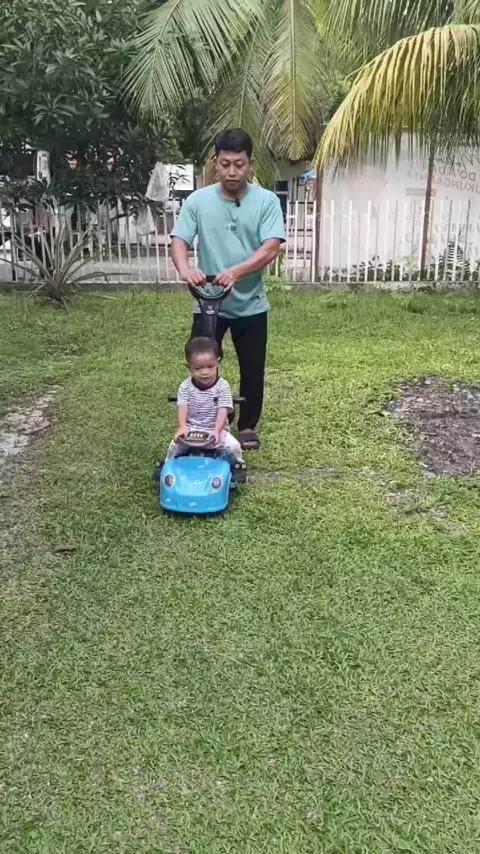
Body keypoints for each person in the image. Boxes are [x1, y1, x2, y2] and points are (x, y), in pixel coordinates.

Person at [171, 128, 286, 451]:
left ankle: (247, 425)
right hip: (207, 301)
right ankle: (199, 421)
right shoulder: (198, 201)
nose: (232, 172)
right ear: (216, 164)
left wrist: (236, 272)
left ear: (250, 165)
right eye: (225, 164)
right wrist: (186, 270)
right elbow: (179, 240)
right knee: (201, 363)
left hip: (251, 303)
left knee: (252, 367)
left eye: (239, 164)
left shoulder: (265, 201)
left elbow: (271, 247)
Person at [166, 336, 244, 470]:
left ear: (218, 363)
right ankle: (168, 466)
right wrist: (182, 427)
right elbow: (183, 407)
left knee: (234, 446)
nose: (205, 372)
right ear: (189, 367)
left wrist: (217, 430)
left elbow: (222, 411)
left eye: (210, 366)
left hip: (215, 429)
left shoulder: (222, 387)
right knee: (174, 446)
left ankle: (238, 466)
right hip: (191, 429)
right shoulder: (185, 387)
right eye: (198, 368)